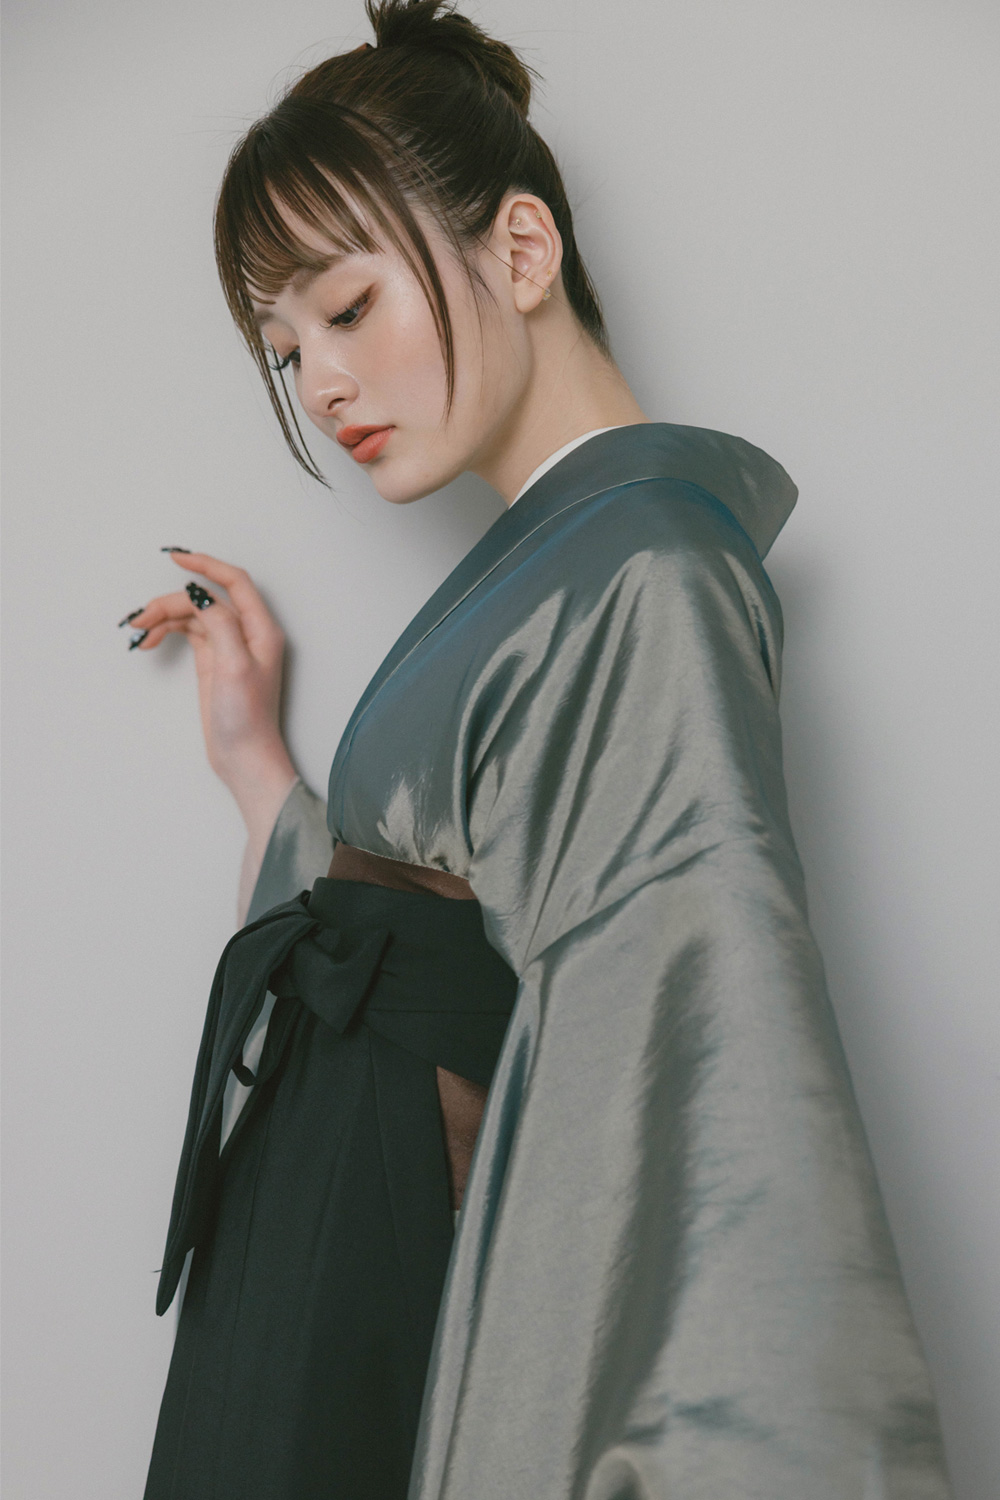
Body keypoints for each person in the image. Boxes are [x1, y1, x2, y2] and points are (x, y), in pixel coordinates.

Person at [129, 2, 952, 1496]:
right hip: (321, 1237)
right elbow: (403, 936)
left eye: (346, 308)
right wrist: (257, 772)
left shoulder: (650, 570)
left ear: (520, 249)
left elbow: (693, 1058)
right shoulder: (563, 562)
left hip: (394, 1259)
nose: (320, 384)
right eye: (287, 347)